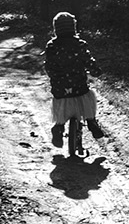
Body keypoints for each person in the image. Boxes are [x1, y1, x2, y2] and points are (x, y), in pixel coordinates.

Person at [44, 12, 106, 158]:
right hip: (78, 83)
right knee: (87, 98)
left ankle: (58, 127)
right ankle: (91, 122)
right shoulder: (79, 44)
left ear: (56, 29)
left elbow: (49, 66)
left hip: (60, 85)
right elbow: (88, 60)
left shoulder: (52, 46)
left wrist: (54, 76)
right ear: (73, 27)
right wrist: (95, 70)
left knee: (60, 104)